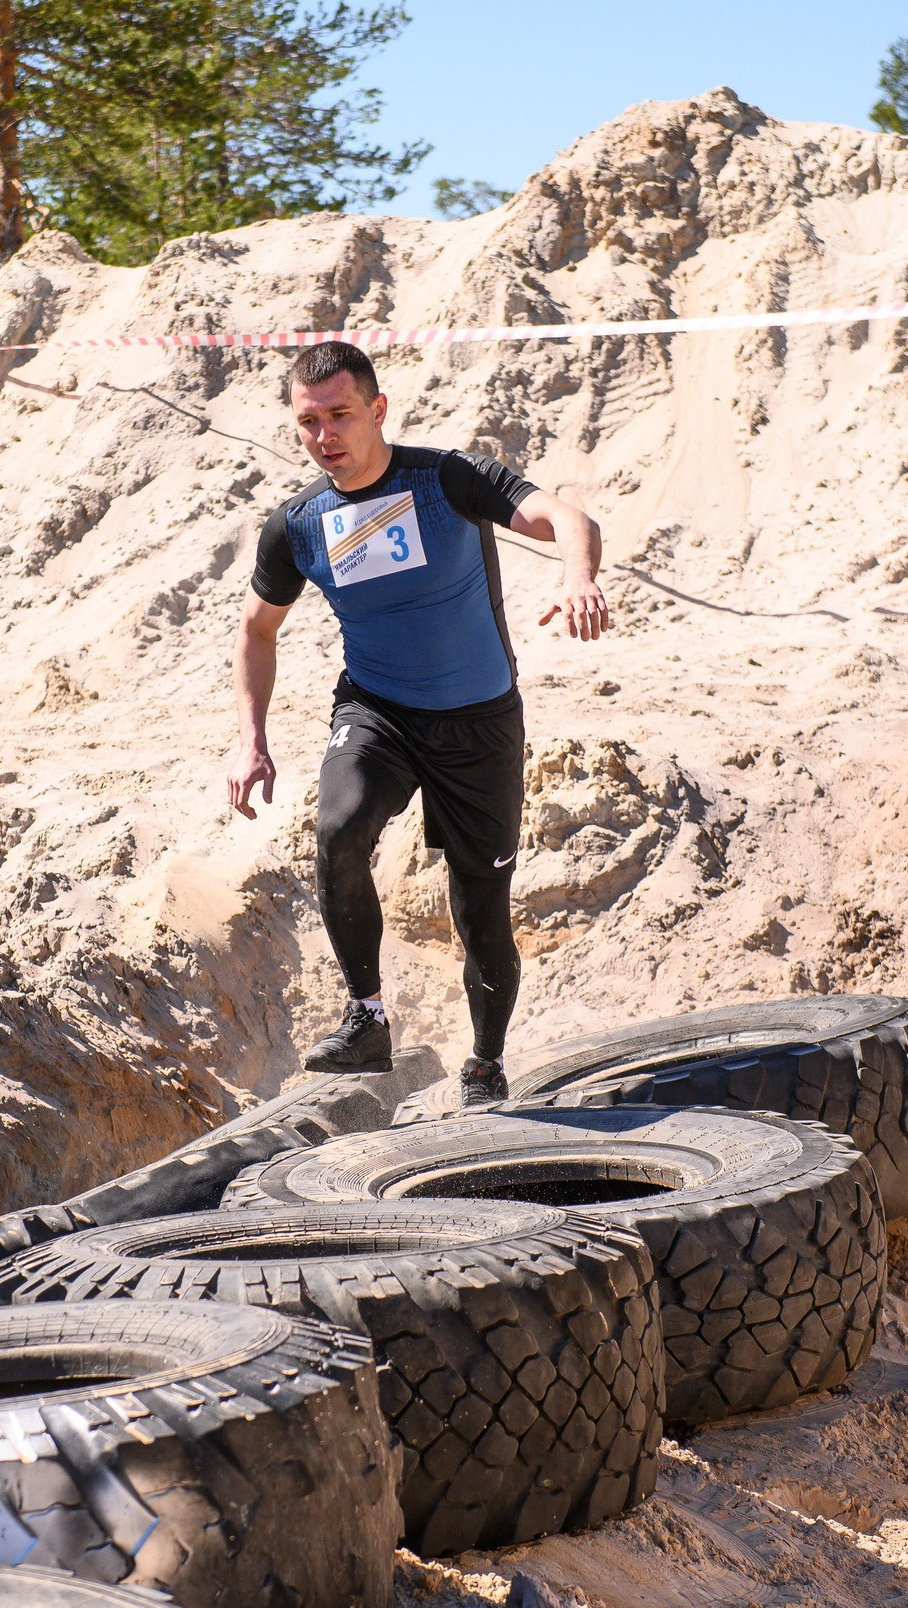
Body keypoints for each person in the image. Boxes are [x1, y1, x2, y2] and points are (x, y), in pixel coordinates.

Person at [227, 341, 609, 1106]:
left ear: (376, 410)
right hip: (378, 711)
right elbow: (255, 631)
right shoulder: (297, 524)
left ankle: (485, 1065)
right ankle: (366, 1017)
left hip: (479, 724)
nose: (324, 435)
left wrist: (577, 577)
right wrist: (251, 739)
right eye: (308, 422)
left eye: (340, 415)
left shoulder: (447, 480)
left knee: (480, 909)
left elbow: (563, 514)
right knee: (338, 828)